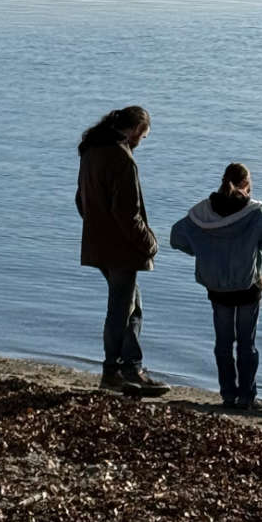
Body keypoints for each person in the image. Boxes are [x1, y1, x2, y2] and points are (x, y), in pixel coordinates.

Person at [169, 161, 262, 410]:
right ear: (246, 185)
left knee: (223, 342)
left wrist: (203, 251)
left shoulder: (202, 213)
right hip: (247, 286)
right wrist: (256, 248)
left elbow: (176, 237)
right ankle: (246, 397)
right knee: (247, 343)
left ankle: (227, 395)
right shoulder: (254, 213)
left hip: (217, 287)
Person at [76, 104, 168, 396]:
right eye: (144, 136)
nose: (142, 142)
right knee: (122, 310)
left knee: (131, 307)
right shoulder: (122, 158)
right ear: (135, 131)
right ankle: (117, 370)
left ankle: (130, 368)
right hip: (121, 249)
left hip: (97, 244)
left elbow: (81, 200)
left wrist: (96, 226)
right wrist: (150, 244)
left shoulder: (91, 152)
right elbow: (129, 214)